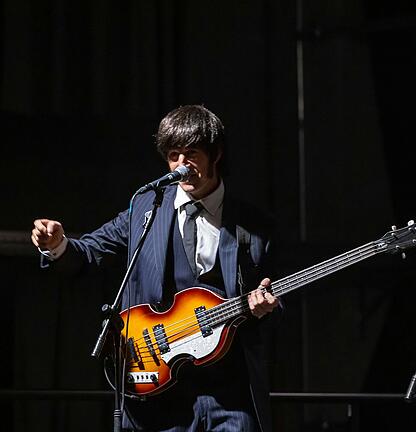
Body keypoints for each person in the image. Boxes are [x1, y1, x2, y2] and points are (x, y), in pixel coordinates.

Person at [30, 105, 279, 431]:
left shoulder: (253, 225)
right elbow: (92, 251)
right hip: (161, 392)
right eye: (174, 155)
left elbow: (280, 291)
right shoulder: (146, 209)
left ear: (215, 154)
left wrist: (267, 305)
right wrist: (57, 245)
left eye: (192, 154)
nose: (181, 165)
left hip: (229, 391)